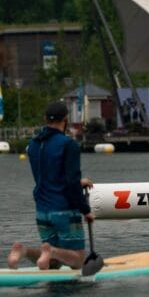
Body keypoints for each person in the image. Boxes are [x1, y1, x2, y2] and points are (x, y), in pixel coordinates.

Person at [6, 101, 94, 270]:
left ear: (45, 119)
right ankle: (51, 251)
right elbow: (70, 183)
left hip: (42, 209)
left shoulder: (33, 144)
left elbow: (48, 174)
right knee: (78, 260)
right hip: (63, 209)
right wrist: (86, 210)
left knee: (53, 263)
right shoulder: (69, 145)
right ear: (66, 119)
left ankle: (22, 250)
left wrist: (77, 182)